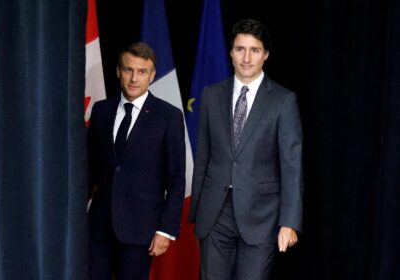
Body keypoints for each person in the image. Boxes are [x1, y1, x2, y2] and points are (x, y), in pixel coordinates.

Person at [189, 19, 303, 280]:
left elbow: (291, 165)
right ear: (231, 53)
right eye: (240, 49)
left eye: (254, 50)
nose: (247, 58)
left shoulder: (283, 101)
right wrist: (197, 209)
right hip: (215, 214)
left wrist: (289, 222)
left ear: (265, 55)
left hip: (261, 215)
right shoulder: (211, 95)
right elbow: (203, 157)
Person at [87, 42, 186, 280]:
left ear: (152, 76)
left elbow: (176, 179)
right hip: (98, 228)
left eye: (142, 72)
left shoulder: (168, 116)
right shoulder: (101, 111)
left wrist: (165, 230)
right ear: (118, 72)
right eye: (128, 70)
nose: (134, 78)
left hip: (141, 229)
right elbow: (89, 168)